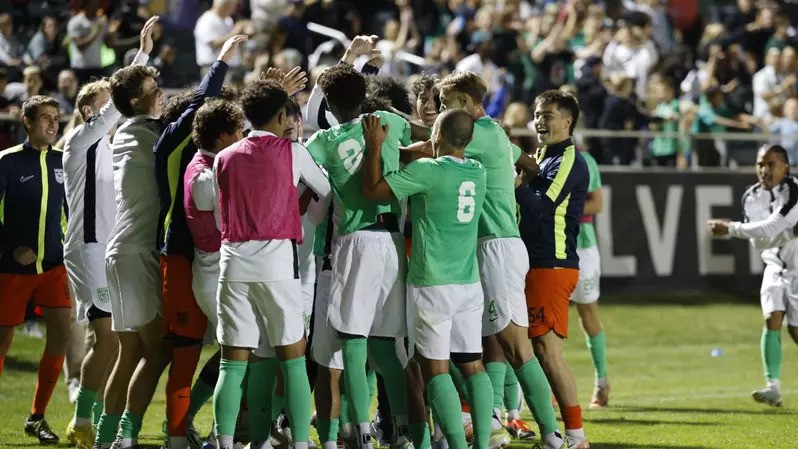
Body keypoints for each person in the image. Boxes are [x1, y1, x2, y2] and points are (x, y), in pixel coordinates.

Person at [435, 72, 563, 449]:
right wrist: (508, 179)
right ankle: (490, 426)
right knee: (482, 346)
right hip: (496, 245)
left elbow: (434, 144)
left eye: (445, 105)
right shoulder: (494, 135)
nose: (442, 114)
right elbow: (531, 164)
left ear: (463, 102)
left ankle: (554, 436)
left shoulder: (479, 133)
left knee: (517, 349)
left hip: (497, 248)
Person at [211, 79, 329, 449]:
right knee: (293, 356)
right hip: (277, 264)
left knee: (232, 364)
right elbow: (324, 189)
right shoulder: (291, 151)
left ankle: (226, 443)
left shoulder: (223, 157)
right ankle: (300, 444)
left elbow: (219, 218)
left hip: (232, 263)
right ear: (281, 115)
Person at [361, 108, 487, 449]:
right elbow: (442, 154)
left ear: (436, 137)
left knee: (435, 373)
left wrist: (376, 149)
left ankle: (456, 445)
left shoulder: (428, 171)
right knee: (473, 366)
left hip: (432, 283)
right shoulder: (478, 171)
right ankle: (485, 440)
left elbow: (373, 190)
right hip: (469, 284)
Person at [305, 63, 413, 449]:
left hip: (355, 242)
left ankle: (360, 432)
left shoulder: (321, 141)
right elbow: (418, 138)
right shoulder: (386, 120)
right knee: (386, 344)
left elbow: (306, 187)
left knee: (352, 340)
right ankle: (402, 432)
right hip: (394, 240)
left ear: (330, 102)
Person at [61, 16, 158, 449]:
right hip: (87, 249)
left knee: (116, 341)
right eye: (103, 107)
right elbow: (116, 108)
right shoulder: (79, 144)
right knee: (106, 339)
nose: (110, 115)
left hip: (109, 249)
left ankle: (97, 417)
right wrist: (141, 59)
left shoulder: (115, 144)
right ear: (88, 112)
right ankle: (84, 417)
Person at [153, 33, 246, 449]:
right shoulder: (173, 149)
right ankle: (173, 435)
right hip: (181, 254)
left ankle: (197, 428)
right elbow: (200, 102)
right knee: (185, 349)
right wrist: (220, 63)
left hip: (200, 255)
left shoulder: (210, 159)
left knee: (233, 346)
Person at [515, 89, 590, 449]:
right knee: (513, 345)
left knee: (545, 349)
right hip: (530, 260)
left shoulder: (571, 160)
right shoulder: (542, 155)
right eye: (537, 114)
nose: (540, 120)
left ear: (567, 121)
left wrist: (511, 183)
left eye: (547, 115)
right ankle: (507, 418)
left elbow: (541, 208)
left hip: (552, 263)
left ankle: (575, 435)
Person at [105, 56, 172, 449]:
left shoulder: (127, 130)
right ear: (135, 101)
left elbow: (123, 90)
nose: (161, 95)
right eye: (153, 90)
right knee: (160, 351)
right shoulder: (148, 132)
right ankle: (126, 436)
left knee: (129, 352)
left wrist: (141, 59)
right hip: (136, 251)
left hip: (122, 250)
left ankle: (104, 437)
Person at [0, 95, 69, 445]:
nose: (53, 124)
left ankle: (37, 417)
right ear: (27, 122)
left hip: (55, 267)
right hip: (11, 270)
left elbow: (70, 214)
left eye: (56, 118)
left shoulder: (63, 161)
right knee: (3, 341)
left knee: (61, 334)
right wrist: (11, 248)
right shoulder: (7, 162)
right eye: (45, 118)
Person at [707, 144, 798, 407]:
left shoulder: (793, 190)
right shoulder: (751, 197)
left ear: (785, 167)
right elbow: (759, 243)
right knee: (771, 319)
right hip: (773, 268)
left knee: (794, 331)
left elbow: (771, 227)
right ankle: (773, 387)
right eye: (760, 164)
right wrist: (791, 233)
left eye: (771, 164)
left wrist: (732, 228)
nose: (764, 170)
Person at [569, 148, 610, 409]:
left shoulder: (584, 160)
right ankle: (550, 388)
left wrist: (560, 209)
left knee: (588, 316)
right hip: (550, 247)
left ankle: (602, 380)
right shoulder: (538, 157)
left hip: (582, 247)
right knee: (550, 319)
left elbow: (597, 203)